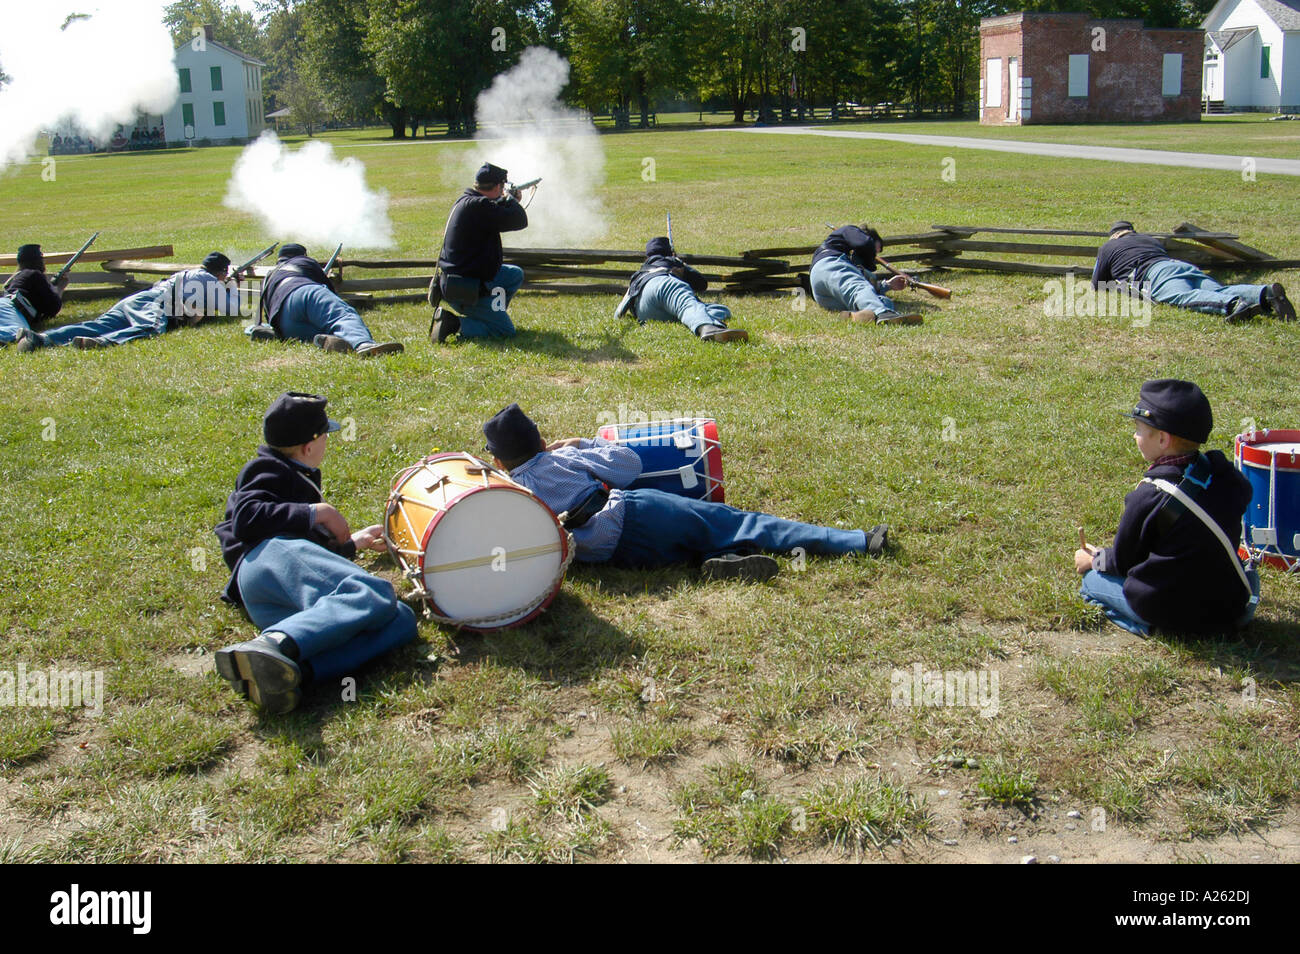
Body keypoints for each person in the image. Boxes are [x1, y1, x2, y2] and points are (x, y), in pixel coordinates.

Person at [483, 403, 889, 581]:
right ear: (540, 442)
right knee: (741, 520)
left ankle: (715, 558)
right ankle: (856, 541)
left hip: (612, 557)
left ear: (500, 462)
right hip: (635, 515)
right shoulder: (562, 460)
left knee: (690, 542)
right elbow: (629, 467)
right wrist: (582, 444)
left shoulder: (509, 495)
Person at [213, 392, 419, 713]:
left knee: (400, 619)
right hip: (264, 563)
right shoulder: (264, 468)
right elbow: (247, 519)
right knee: (373, 590)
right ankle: (272, 644)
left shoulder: (292, 468)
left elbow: (308, 562)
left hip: (285, 596)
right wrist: (318, 512)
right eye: (326, 437)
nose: (328, 443)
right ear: (308, 447)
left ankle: (288, 674)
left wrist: (353, 544)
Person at [1074, 379, 1259, 638]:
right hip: (1233, 606)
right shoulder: (1225, 474)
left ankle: (1155, 628)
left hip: (1176, 610)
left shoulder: (1148, 497)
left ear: (1162, 439)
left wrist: (1094, 559)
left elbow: (1124, 560)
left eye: (1139, 429)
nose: (1134, 435)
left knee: (1091, 583)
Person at [21, 252, 246, 350]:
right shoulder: (207, 279)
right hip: (156, 303)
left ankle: (42, 339)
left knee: (96, 325)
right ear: (221, 273)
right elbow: (234, 309)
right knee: (150, 327)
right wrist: (234, 285)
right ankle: (104, 342)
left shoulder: (190, 275)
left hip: (137, 299)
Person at [1092, 221, 1295, 324]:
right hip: (1179, 265)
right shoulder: (1148, 239)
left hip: (1154, 273)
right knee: (1220, 289)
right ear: (1131, 230)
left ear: (1114, 235)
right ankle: (1265, 293)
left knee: (1181, 296)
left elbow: (1097, 283)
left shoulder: (1108, 247)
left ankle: (1232, 305)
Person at [430, 162, 529, 343]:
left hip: (461, 281)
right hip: (467, 288)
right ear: (498, 186)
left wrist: (506, 201)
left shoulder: (469, 202)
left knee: (514, 274)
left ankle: (492, 313)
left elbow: (497, 213)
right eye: (502, 187)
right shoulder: (479, 206)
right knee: (504, 331)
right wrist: (511, 200)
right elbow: (519, 220)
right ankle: (453, 323)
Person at [249, 244, 402, 357]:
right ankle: (363, 344)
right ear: (302, 255)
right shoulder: (302, 261)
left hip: (284, 323)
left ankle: (333, 343)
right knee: (341, 315)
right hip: (303, 292)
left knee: (320, 332)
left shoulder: (269, 277)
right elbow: (329, 291)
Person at [613, 237, 748, 343]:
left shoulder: (639, 273)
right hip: (662, 285)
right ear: (669, 252)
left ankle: (695, 319)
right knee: (687, 303)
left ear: (647, 257)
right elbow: (702, 284)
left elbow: (620, 311)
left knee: (719, 309)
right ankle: (707, 327)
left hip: (645, 312)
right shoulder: (671, 260)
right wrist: (683, 266)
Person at [808, 224, 922, 325]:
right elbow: (864, 244)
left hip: (825, 295)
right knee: (860, 288)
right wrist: (869, 260)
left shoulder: (852, 264)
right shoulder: (850, 230)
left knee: (883, 301)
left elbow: (864, 288)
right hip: (829, 265)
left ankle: (857, 316)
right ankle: (883, 314)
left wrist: (887, 285)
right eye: (873, 250)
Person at [3, 245, 67, 347]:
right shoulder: (35, 274)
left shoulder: (17, 277)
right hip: (12, 309)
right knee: (12, 333)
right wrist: (60, 288)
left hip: (6, 305)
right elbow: (53, 307)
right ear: (37, 261)